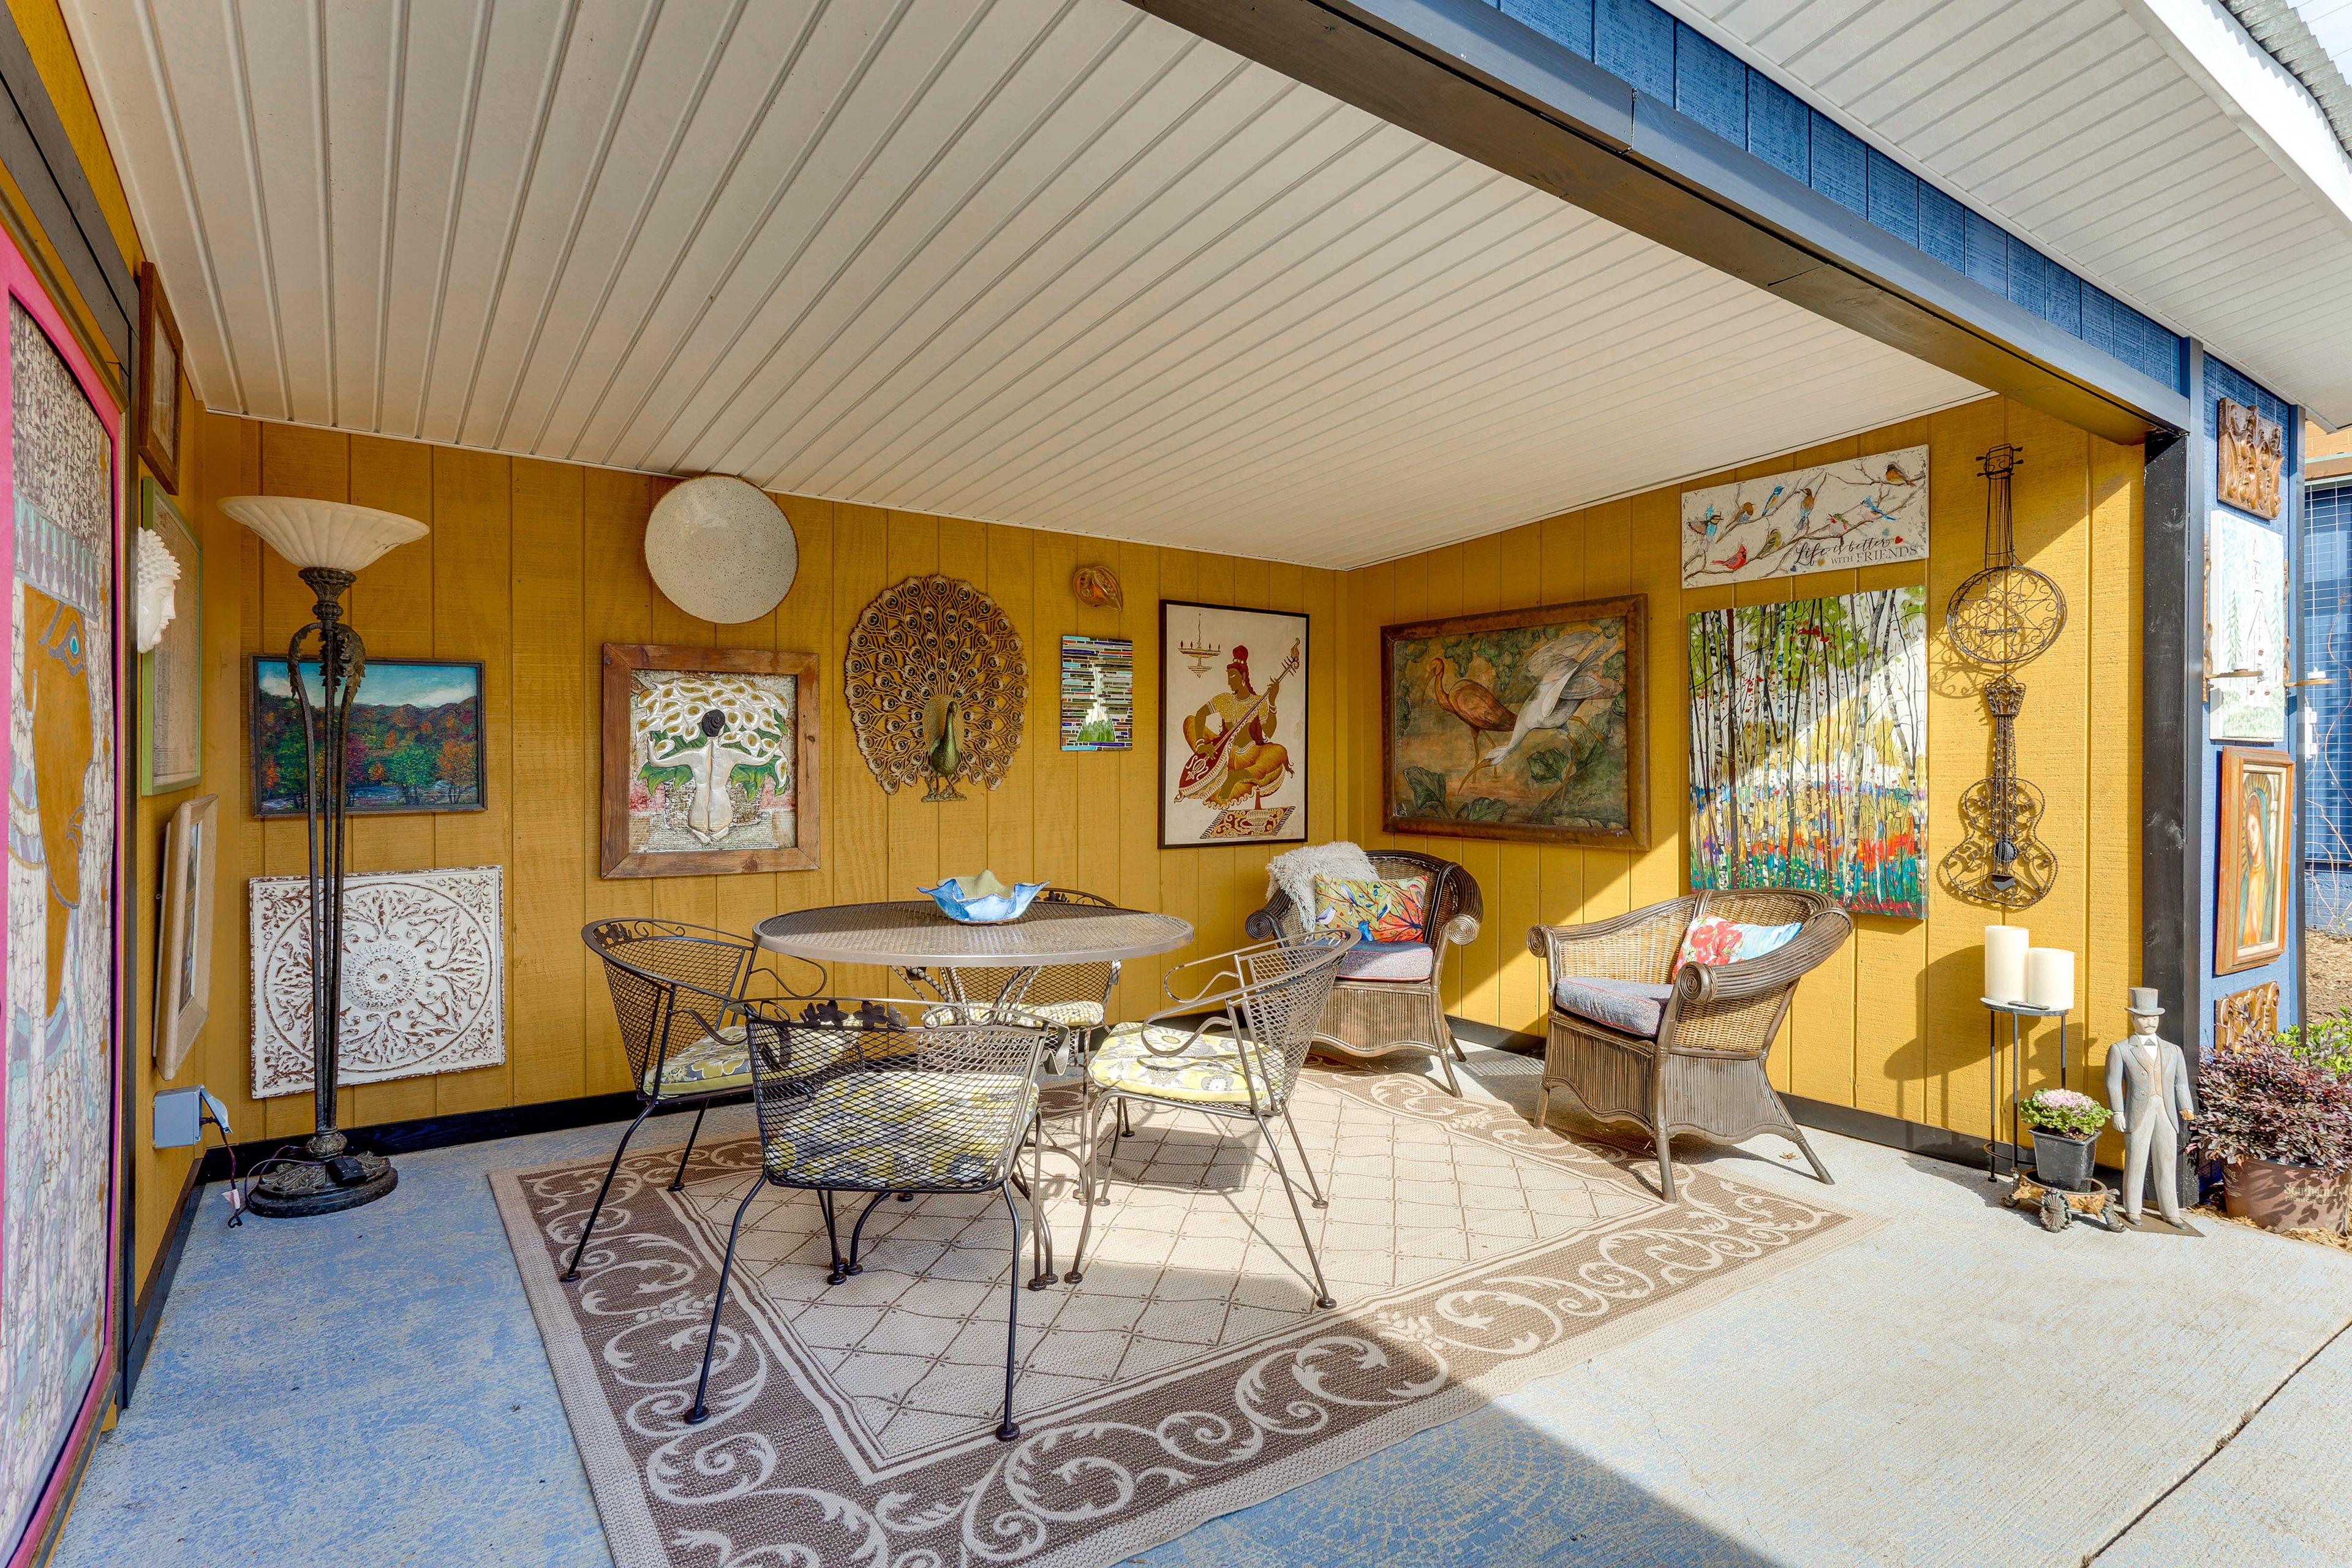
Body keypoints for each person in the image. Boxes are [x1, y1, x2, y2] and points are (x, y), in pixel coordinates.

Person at [2106, 987, 2196, 1227]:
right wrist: (2117, 1111)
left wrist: (2186, 1106)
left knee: (2167, 1161)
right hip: (2138, 1111)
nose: (2150, 1023)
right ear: (2133, 1018)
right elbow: (2113, 1083)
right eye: (2144, 1018)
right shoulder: (2121, 1049)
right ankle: (2133, 1209)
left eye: (2154, 1018)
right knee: (2136, 1160)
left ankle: (2170, 1211)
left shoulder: (2173, 1050)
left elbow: (2181, 1083)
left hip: (2166, 1111)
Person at [1177, 644, 1293, 810]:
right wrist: (1202, 745)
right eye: (1228, 676)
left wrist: (1272, 702)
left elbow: (1269, 732)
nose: (1229, 681)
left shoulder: (1258, 702)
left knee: (1279, 752)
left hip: (1250, 755)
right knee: (1190, 720)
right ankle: (1224, 768)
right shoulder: (1225, 700)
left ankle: (1237, 777)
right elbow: (1200, 714)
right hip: (1223, 752)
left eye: (1232, 676)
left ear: (1243, 676)